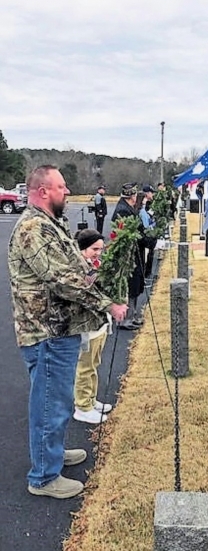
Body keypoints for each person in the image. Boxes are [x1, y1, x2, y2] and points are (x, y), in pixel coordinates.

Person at [8, 165, 127, 499]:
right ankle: (44, 477)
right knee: (49, 404)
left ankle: (53, 456)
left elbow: (75, 268)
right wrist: (107, 304)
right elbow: (61, 279)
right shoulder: (33, 228)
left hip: (60, 330)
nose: (67, 192)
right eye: (61, 187)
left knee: (58, 400)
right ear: (43, 190)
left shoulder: (50, 225)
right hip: (47, 333)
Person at [73, 229, 114, 424]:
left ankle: (91, 399)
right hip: (86, 325)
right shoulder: (78, 267)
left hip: (99, 324)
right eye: (94, 249)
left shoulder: (94, 264)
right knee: (85, 366)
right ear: (83, 248)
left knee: (94, 364)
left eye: (100, 249)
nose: (98, 253)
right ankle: (82, 406)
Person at [111, 183, 156, 330]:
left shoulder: (128, 208)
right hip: (128, 255)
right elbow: (131, 234)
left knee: (136, 284)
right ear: (132, 196)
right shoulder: (123, 211)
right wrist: (148, 240)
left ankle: (132, 315)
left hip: (135, 253)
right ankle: (126, 319)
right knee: (130, 286)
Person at [140, 185, 157, 281]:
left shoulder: (150, 203)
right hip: (146, 232)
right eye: (151, 192)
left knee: (149, 254)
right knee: (146, 255)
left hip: (150, 229)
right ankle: (146, 273)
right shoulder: (144, 205)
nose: (152, 194)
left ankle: (148, 272)